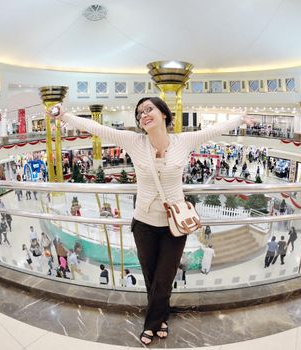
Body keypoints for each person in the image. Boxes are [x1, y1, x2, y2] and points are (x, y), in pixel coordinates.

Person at [50, 97, 250, 345]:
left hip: (174, 225)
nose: (143, 115)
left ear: (164, 114)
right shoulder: (134, 142)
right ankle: (161, 318)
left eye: (148, 109)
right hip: (143, 223)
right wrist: (65, 117)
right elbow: (98, 129)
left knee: (164, 277)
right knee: (151, 276)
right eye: (139, 113)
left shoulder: (183, 141)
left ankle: (151, 323)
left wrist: (239, 119)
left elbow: (214, 130)